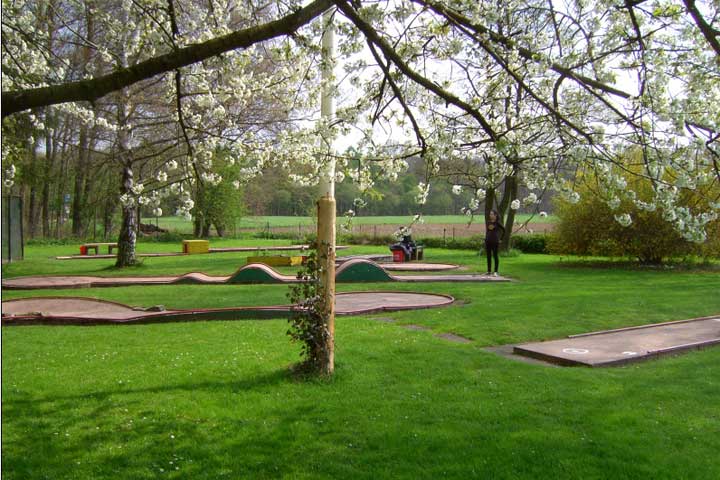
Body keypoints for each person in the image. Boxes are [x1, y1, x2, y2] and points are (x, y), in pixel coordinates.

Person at [484, 210, 505, 276]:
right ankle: (489, 271)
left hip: (495, 241)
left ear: (495, 215)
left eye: (492, 214)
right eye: (490, 214)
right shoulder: (488, 222)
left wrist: (501, 239)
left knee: (495, 256)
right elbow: (487, 231)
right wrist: (485, 238)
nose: (490, 215)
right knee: (488, 256)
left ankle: (496, 271)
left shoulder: (497, 223)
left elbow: (504, 230)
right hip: (488, 241)